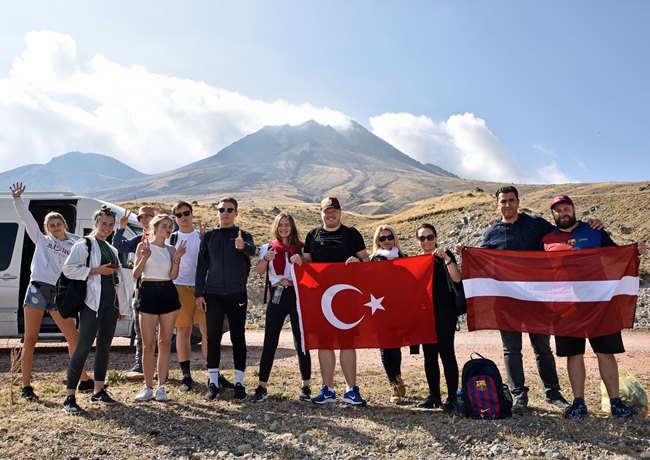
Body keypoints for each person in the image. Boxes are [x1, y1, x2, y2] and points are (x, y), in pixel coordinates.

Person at [542, 194, 647, 419]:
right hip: (566, 306)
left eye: (566, 208)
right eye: (558, 210)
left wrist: (635, 251)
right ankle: (579, 404)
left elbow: (617, 255)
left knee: (605, 352)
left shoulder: (595, 231)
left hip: (599, 303)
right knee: (574, 354)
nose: (563, 213)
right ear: (553, 214)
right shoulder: (547, 240)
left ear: (573, 209)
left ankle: (616, 403)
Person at [480, 185, 569, 414]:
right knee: (511, 349)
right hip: (507, 301)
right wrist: (466, 253)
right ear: (497, 204)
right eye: (503, 201)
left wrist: (590, 226)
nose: (507, 205)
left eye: (511, 200)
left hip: (536, 299)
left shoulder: (536, 224)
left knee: (543, 348)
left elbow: (562, 234)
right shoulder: (491, 233)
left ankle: (552, 393)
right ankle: (518, 394)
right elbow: (481, 262)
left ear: (518, 202)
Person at [10, 182, 93, 401]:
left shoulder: (76, 243)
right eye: (52, 225)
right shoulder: (42, 240)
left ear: (65, 225)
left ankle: (83, 380)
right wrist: (17, 199)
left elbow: (94, 241)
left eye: (58, 224)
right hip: (37, 290)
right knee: (30, 339)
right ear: (47, 228)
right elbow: (26, 219)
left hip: (59, 293)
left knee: (72, 337)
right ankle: (26, 387)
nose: (56, 227)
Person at [290, 196, 370, 405]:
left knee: (346, 342)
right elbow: (307, 262)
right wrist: (298, 259)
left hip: (348, 297)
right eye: (327, 211)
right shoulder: (312, 235)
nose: (331, 214)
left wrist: (357, 261)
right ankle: (328, 389)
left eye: (334, 211)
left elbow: (366, 261)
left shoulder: (351, 234)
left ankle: (351, 389)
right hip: (321, 298)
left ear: (340, 212)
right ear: (321, 213)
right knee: (324, 342)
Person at [61, 205, 131, 413]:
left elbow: (117, 280)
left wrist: (122, 305)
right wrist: (95, 270)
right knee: (82, 347)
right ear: (96, 224)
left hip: (110, 304)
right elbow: (68, 269)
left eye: (111, 225)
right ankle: (69, 397)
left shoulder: (113, 249)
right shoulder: (85, 245)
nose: (107, 228)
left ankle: (98, 391)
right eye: (104, 224)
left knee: (104, 347)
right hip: (92, 304)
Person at [196, 197, 256, 401]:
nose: (226, 213)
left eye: (230, 210)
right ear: (217, 212)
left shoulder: (243, 235)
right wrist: (198, 293)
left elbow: (253, 250)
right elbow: (201, 266)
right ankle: (213, 383)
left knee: (238, 337)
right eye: (222, 209)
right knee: (213, 337)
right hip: (212, 294)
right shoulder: (210, 237)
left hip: (237, 293)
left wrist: (243, 247)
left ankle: (239, 382)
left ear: (236, 213)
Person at [251, 213, 312, 402]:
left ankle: (306, 386)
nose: (284, 228)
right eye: (280, 225)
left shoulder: (301, 248)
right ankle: (262, 386)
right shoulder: (268, 247)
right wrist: (266, 259)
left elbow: (310, 271)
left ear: (292, 227)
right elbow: (260, 272)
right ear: (276, 227)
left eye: (287, 225)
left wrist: (301, 263)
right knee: (270, 340)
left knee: (300, 340)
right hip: (277, 295)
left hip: (296, 295)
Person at [133, 214, 187, 402]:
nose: (168, 229)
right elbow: (136, 274)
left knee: (164, 342)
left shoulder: (171, 249)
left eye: (170, 226)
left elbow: (173, 276)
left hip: (167, 291)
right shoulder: (143, 246)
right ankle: (147, 387)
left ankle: (161, 386)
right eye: (164, 226)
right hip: (147, 290)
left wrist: (177, 259)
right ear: (154, 227)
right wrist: (144, 257)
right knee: (148, 345)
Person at [415, 223, 460, 412]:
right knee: (429, 355)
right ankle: (434, 395)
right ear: (418, 241)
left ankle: (451, 397)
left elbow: (458, 279)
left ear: (435, 237)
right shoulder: (416, 261)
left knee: (447, 353)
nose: (426, 241)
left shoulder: (445, 256)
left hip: (445, 312)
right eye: (422, 238)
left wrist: (448, 259)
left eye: (430, 237)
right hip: (425, 314)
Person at [169, 201, 208, 393]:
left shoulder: (202, 237)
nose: (183, 217)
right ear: (175, 218)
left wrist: (203, 239)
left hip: (202, 288)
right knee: (183, 332)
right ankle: (186, 375)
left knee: (206, 332)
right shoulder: (172, 238)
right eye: (179, 215)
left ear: (192, 214)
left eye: (186, 213)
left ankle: (213, 374)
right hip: (179, 288)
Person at [113, 205, 156, 379]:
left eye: (148, 216)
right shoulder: (139, 239)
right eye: (141, 217)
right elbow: (119, 246)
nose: (144, 219)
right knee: (140, 329)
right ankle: (140, 364)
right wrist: (121, 228)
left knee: (161, 332)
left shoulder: (165, 236)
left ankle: (160, 366)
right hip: (141, 288)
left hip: (162, 287)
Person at [369, 224, 408, 403]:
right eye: (382, 238)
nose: (386, 241)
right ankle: (393, 384)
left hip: (398, 308)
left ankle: (398, 377)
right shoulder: (372, 260)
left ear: (394, 239)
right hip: (378, 307)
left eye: (389, 237)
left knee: (396, 346)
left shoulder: (404, 258)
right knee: (385, 347)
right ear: (377, 240)